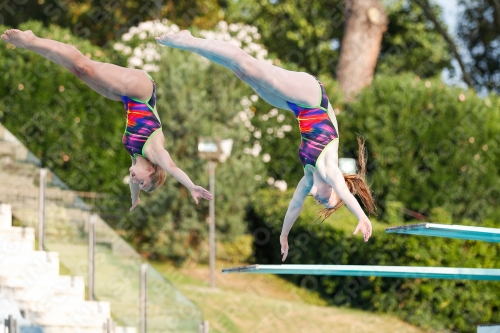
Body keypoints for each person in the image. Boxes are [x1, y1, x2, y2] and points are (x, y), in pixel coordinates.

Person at [156, 31, 377, 261]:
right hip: (313, 98)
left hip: (298, 107)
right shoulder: (329, 170)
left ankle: (190, 44)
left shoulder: (309, 176)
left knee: (241, 72)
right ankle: (188, 41)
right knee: (248, 65)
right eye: (325, 200)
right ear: (334, 189)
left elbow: (295, 205)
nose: (319, 199)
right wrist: (361, 216)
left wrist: (284, 235)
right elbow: (344, 192)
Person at [1, 29, 213, 210]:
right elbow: (172, 167)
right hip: (141, 90)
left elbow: (135, 178)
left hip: (126, 98)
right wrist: (191, 185)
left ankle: (31, 45)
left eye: (140, 186)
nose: (136, 182)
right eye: (143, 183)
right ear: (150, 169)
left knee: (78, 71)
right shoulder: (154, 151)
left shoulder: (136, 155)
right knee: (86, 66)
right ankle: (31, 40)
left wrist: (135, 198)